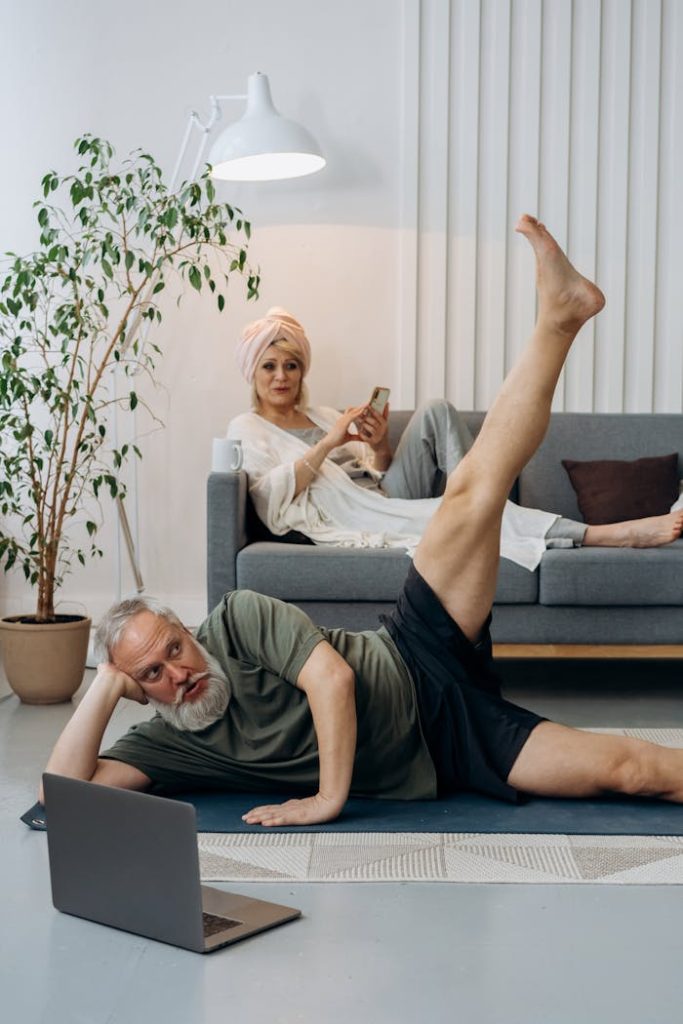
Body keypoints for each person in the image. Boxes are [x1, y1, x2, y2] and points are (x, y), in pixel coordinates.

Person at [43, 216, 683, 826]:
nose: (177, 674)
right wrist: (103, 687)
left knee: (470, 494)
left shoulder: (237, 621)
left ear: (187, 630)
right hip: (449, 747)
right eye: (152, 674)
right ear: (138, 688)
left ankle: (560, 319)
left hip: (412, 654)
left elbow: (334, 678)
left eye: (174, 650)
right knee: (633, 771)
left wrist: (326, 799)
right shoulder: (170, 742)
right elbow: (67, 794)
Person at [226, 307, 682, 572]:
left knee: (438, 409)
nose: (282, 376)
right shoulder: (247, 428)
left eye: (290, 365)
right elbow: (269, 500)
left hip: (382, 494)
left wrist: (381, 443)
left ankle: (478, 498)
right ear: (254, 373)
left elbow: (378, 471)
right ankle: (609, 534)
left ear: (302, 369)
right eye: (270, 367)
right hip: (357, 513)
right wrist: (327, 443)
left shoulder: (322, 414)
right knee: (488, 515)